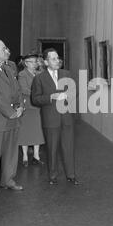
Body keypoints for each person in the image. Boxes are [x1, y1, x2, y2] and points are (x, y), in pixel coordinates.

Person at [31, 48, 79, 185]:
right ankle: (52, 176)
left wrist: (68, 95)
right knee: (51, 149)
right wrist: (51, 97)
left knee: (68, 147)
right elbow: (35, 99)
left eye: (57, 58)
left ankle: (71, 175)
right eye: (53, 59)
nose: (57, 61)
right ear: (45, 62)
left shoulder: (67, 74)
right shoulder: (39, 78)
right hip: (50, 119)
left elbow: (75, 91)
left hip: (67, 117)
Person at [0, 39, 24, 197]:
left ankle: (8, 179)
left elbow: (18, 89)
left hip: (14, 117)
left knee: (11, 152)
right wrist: (10, 112)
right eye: (3, 48)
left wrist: (21, 106)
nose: (6, 50)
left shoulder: (9, 68)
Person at [18, 54, 45, 167]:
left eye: (36, 61)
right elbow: (23, 89)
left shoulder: (39, 74)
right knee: (25, 132)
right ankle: (24, 156)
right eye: (33, 62)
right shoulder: (22, 74)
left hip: (37, 106)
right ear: (26, 63)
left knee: (37, 131)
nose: (35, 64)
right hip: (28, 106)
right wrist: (37, 94)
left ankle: (36, 156)